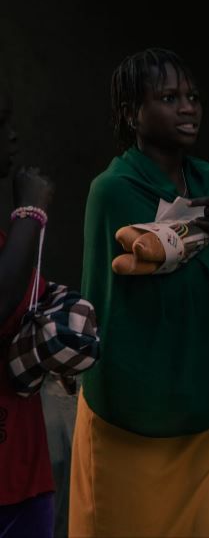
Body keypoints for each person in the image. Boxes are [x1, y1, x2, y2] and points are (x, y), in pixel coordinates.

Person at [70, 48, 209, 537]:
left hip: (208, 410)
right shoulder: (112, 189)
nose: (187, 108)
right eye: (168, 97)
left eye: (192, 97)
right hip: (134, 414)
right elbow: (126, 299)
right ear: (130, 114)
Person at [0, 92, 57, 538]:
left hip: (24, 474)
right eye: (1, 123)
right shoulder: (17, 230)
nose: (12, 136)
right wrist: (31, 213)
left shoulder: (5, 239)